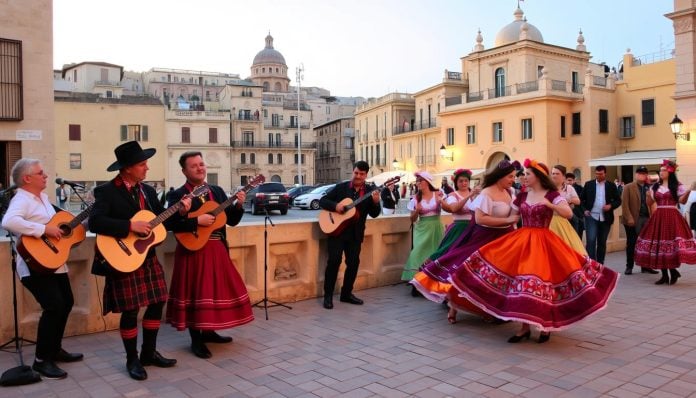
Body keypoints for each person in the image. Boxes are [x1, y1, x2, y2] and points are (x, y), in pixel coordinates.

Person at [449, 159, 619, 343]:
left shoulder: (552, 194)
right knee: (522, 283)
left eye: (527, 174)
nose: (523, 177)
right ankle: (524, 328)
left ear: (537, 176)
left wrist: (551, 206)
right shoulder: (521, 196)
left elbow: (568, 213)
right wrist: (486, 209)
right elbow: (510, 215)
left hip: (544, 242)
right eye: (522, 175)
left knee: (542, 285)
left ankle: (544, 326)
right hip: (522, 240)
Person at [89, 141, 187, 381]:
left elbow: (160, 222)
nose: (147, 168)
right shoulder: (107, 191)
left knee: (156, 303)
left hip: (146, 256)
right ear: (128, 168)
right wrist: (129, 226)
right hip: (122, 257)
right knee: (131, 311)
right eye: (142, 164)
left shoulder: (148, 192)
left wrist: (180, 211)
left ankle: (149, 353)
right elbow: (95, 222)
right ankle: (131, 359)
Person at [165, 151, 254, 359]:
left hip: (217, 249)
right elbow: (168, 224)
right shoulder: (177, 195)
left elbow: (230, 220)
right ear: (184, 171)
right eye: (194, 165)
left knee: (213, 294)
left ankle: (210, 331)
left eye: (201, 164)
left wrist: (239, 204)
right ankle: (196, 340)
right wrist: (195, 221)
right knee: (195, 294)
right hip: (192, 251)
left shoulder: (217, 191)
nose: (200, 168)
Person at [1, 159, 83, 380]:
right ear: (27, 179)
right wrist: (43, 229)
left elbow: (61, 225)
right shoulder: (22, 199)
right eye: (40, 173)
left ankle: (54, 349)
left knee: (65, 303)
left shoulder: (44, 199)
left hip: (54, 262)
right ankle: (40, 360)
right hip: (33, 265)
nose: (45, 175)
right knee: (54, 307)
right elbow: (9, 221)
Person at [411, 161, 519, 323]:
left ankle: (494, 309)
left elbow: (513, 216)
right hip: (480, 235)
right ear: (500, 176)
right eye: (510, 176)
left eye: (514, 176)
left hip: (503, 238)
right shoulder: (484, 193)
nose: (513, 179)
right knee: (465, 267)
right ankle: (454, 303)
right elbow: (477, 217)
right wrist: (509, 219)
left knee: (499, 275)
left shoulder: (510, 192)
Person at [319, 160, 381, 309]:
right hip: (337, 232)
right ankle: (328, 296)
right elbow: (322, 201)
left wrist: (376, 202)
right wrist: (336, 206)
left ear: (366, 175)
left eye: (361, 174)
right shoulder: (341, 188)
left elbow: (374, 214)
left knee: (353, 264)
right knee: (333, 262)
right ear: (353, 172)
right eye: (356, 173)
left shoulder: (370, 191)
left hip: (355, 234)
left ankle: (346, 294)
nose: (358, 176)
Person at [635, 160, 696, 285]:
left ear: (670, 172)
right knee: (659, 245)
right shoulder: (655, 186)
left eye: (664, 170)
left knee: (671, 244)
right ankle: (665, 275)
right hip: (659, 216)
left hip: (672, 217)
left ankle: (673, 272)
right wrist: (647, 195)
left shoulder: (677, 186)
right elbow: (649, 203)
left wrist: (689, 190)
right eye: (661, 170)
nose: (661, 172)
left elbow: (682, 202)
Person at [402, 171, 444, 287]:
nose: (418, 183)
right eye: (417, 181)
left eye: (420, 181)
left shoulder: (438, 194)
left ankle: (432, 280)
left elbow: (447, 207)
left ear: (427, 182)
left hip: (436, 227)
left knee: (435, 253)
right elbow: (412, 219)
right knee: (417, 252)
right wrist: (417, 210)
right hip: (422, 228)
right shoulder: (415, 199)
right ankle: (416, 280)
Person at [581, 165, 621, 263]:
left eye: (601, 174)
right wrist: (584, 210)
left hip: (605, 218)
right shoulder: (589, 184)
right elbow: (581, 200)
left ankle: (600, 264)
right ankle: (592, 264)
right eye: (597, 174)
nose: (598, 176)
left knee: (602, 242)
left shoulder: (611, 186)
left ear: (605, 173)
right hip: (591, 216)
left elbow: (618, 201)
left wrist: (610, 206)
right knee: (591, 241)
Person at [621, 166, 658, 275]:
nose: (641, 175)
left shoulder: (649, 187)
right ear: (636, 174)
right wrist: (629, 218)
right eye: (639, 173)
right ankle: (629, 266)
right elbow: (625, 204)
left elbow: (652, 203)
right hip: (632, 219)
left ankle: (646, 266)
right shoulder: (628, 187)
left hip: (646, 218)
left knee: (646, 244)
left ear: (646, 175)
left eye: (643, 173)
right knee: (631, 243)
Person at [549, 165, 586, 254]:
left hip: (567, 218)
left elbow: (578, 201)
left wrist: (567, 200)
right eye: (553, 173)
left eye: (557, 174)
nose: (554, 176)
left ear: (563, 176)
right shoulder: (548, 188)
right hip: (551, 220)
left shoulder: (569, 188)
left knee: (571, 244)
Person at [565, 173, 584, 239]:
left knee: (578, 237)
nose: (568, 182)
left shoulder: (580, 189)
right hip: (566, 216)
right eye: (567, 180)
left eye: (570, 180)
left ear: (574, 180)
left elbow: (582, 201)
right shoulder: (561, 188)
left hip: (578, 215)